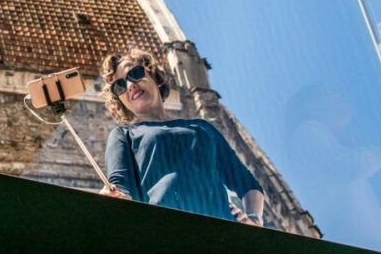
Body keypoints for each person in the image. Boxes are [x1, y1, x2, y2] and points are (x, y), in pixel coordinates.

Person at [98, 48, 265, 227]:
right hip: (166, 231)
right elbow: (120, 186)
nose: (130, 85)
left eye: (135, 73)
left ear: (155, 77)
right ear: (121, 100)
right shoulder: (124, 135)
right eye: (120, 86)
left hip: (222, 229)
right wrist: (114, 197)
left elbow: (246, 182)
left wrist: (254, 219)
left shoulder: (202, 127)